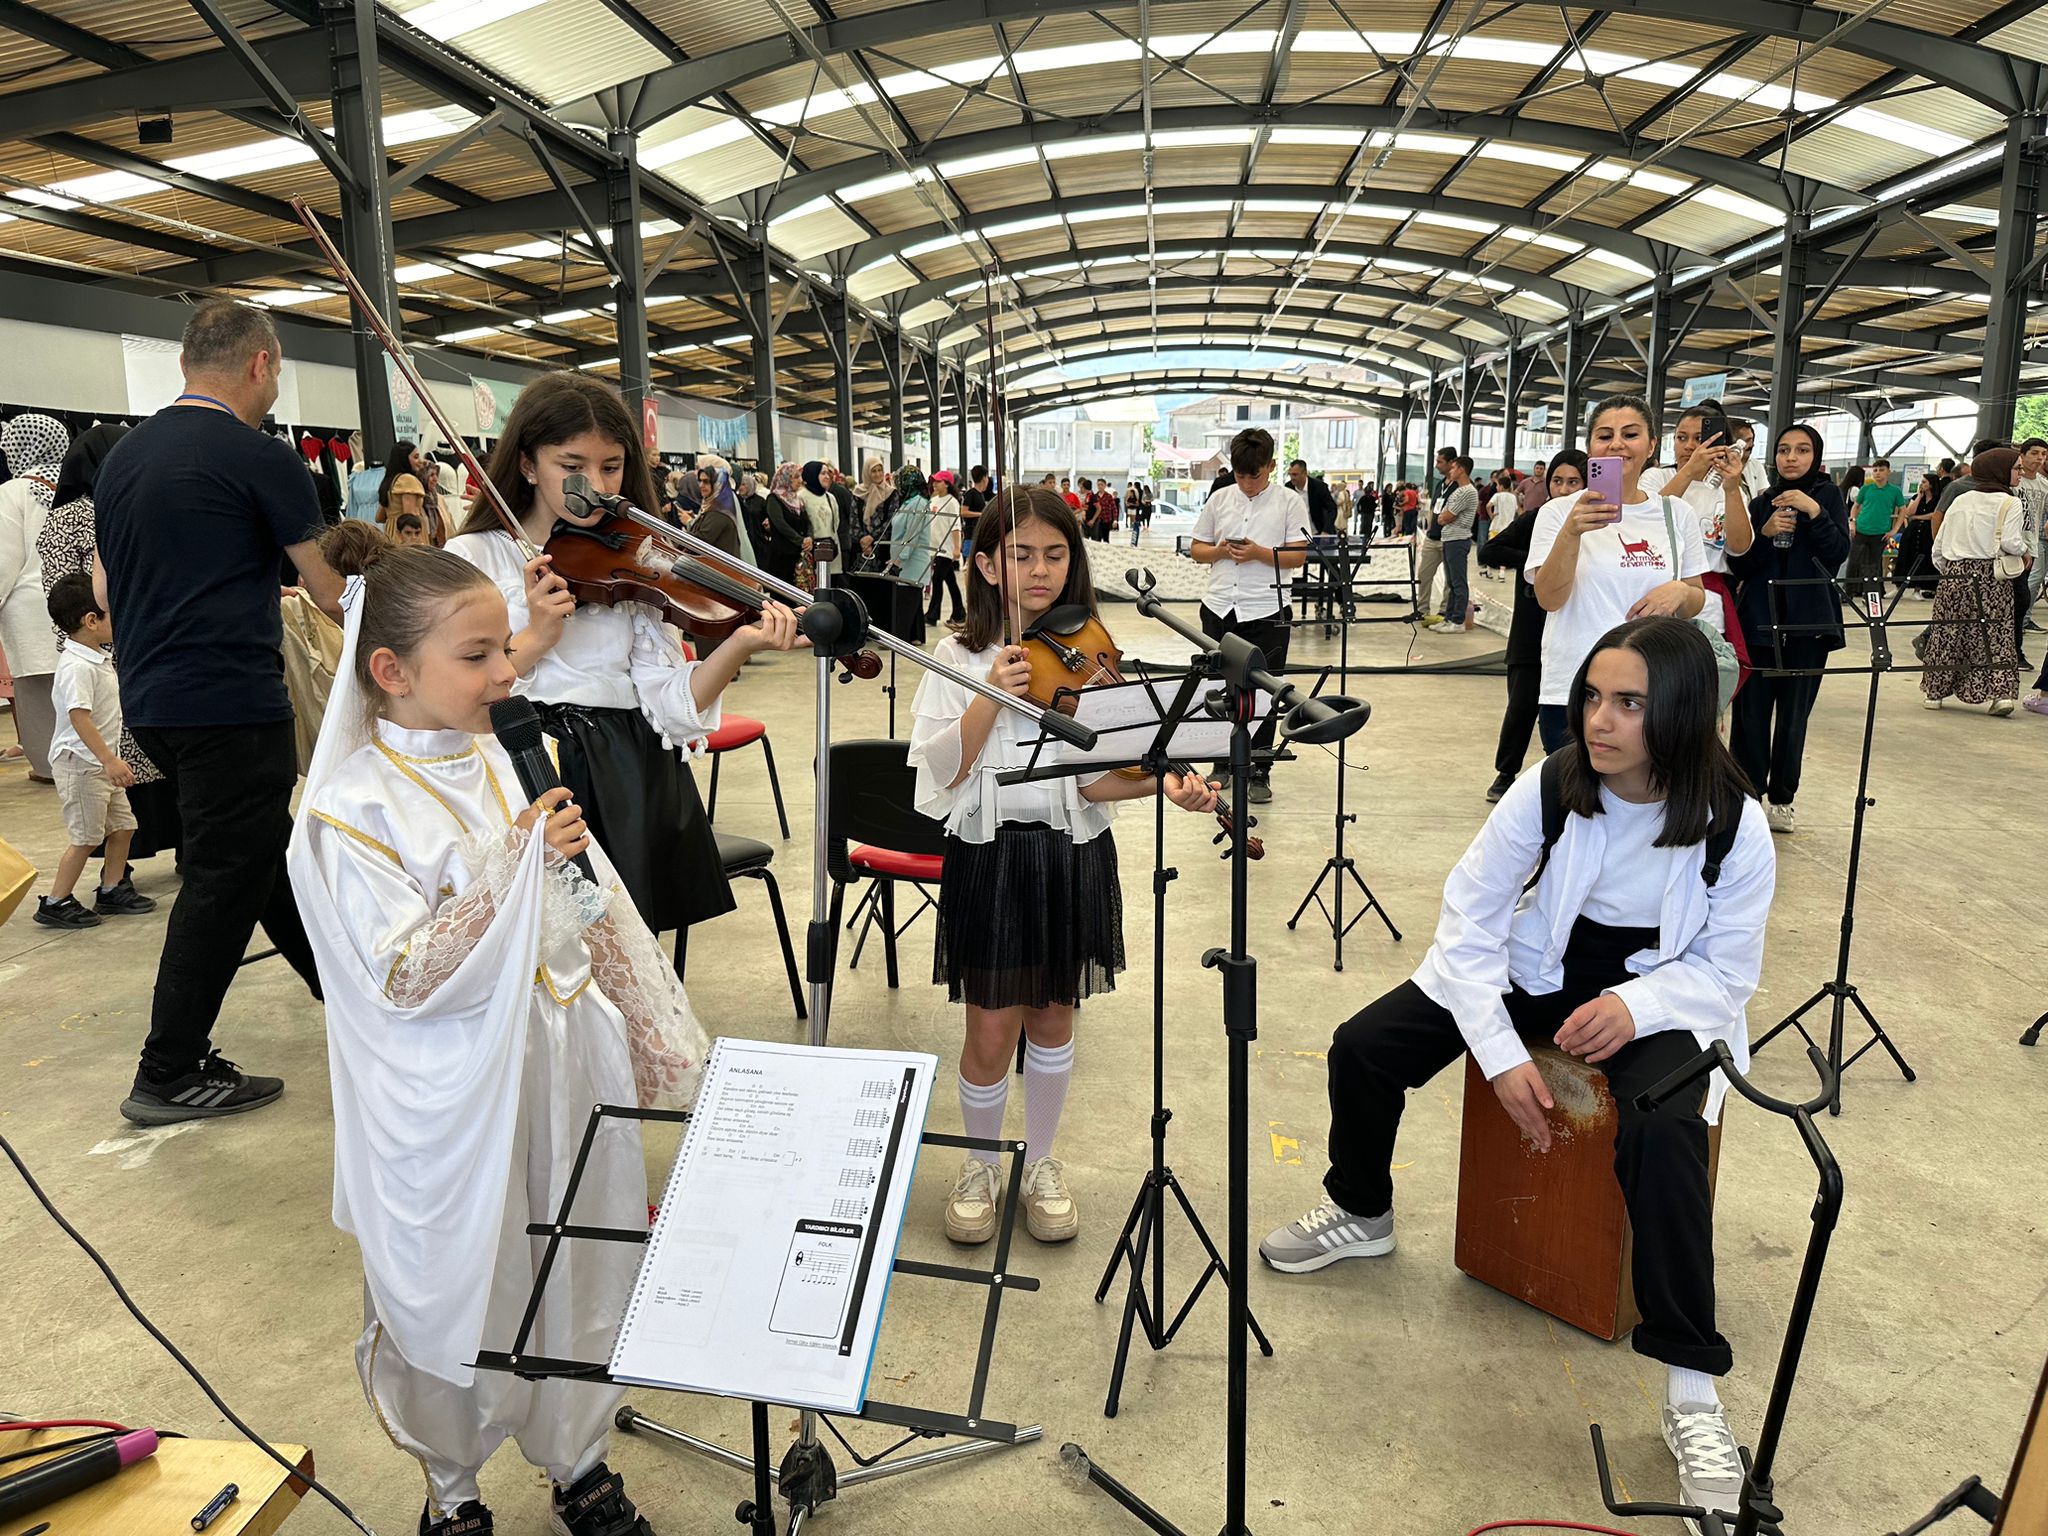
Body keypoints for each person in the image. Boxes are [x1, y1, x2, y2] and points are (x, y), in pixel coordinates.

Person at [1261, 615, 1774, 1528]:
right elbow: (1468, 920)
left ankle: (1691, 1384)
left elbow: (1729, 972)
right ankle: (1362, 1208)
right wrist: (1499, 1053)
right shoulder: (1552, 785)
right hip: (1539, 965)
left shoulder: (1734, 822)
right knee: (1365, 1046)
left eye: (1629, 705)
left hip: (1663, 994)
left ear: (1687, 715)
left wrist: (1635, 1009)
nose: (1599, 721)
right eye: (1591, 697)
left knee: (1663, 1132)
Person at [290, 534, 701, 1536]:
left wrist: (652, 1032)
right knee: (467, 1282)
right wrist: (508, 870)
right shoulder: (346, 811)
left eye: (502, 650)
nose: (508, 671)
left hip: (564, 1059)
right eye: (476, 656)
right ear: (389, 671)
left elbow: (584, 893)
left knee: (583, 1260)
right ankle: (453, 1492)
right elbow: (399, 975)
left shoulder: (509, 754)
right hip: (448, 1101)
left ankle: (582, 1462)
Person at [908, 486, 1217, 1247]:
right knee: (990, 1032)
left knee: (1053, 1019)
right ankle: (980, 1164)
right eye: (1019, 555)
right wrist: (988, 695)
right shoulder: (956, 656)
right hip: (992, 857)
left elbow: (1095, 779)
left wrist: (1162, 781)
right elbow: (936, 777)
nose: (1038, 570)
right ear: (983, 565)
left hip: (1072, 856)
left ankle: (1041, 1161)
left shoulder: (1088, 650)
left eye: (1054, 553)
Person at [446, 372, 803, 947]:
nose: (595, 485)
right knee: (540, 953)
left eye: (610, 467)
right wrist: (536, 634)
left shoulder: (631, 559)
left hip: (624, 766)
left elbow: (670, 703)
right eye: (572, 466)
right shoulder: (472, 558)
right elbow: (457, 691)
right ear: (528, 465)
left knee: (627, 955)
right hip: (526, 767)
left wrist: (739, 643)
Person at [93, 300, 342, 1124]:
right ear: (261, 365)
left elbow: (109, 586)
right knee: (223, 882)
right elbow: (331, 589)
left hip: (154, 698)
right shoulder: (260, 455)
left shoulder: (126, 456)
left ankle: (346, 996)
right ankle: (167, 1068)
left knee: (258, 855)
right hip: (229, 697)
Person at [1526, 394, 1708, 751]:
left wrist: (1680, 592)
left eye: (1631, 434)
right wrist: (1571, 532)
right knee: (1576, 797)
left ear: (1652, 445)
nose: (1618, 444)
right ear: (1590, 445)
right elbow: (1549, 598)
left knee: (1648, 797)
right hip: (1575, 684)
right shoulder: (1558, 512)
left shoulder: (1676, 513)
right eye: (1605, 435)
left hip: (1654, 687)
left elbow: (1696, 597)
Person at [37, 423, 178, 856]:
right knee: (136, 754)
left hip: (98, 640)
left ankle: (122, 866)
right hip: (125, 643)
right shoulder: (116, 507)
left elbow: (59, 590)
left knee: (125, 754)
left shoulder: (68, 515)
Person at [1727, 425, 1852, 833]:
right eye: (1783, 450)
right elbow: (1742, 565)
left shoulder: (1828, 496)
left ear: (1816, 455)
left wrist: (1813, 513)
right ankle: (1747, 797)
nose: (1791, 457)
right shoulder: (1763, 500)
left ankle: (1783, 797)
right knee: (1751, 716)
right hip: (1759, 622)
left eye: (1802, 450)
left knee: (1794, 716)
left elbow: (1837, 555)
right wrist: (1763, 535)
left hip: (1807, 625)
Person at [1190, 428, 1312, 805]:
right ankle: (1220, 762)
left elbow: (1298, 557)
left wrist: (1259, 552)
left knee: (1266, 691)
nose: (1245, 483)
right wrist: (1221, 551)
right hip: (1220, 606)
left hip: (1267, 609)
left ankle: (1259, 768)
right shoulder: (1221, 497)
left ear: (1271, 466)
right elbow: (1197, 548)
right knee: (1217, 688)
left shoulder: (1290, 502)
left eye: (1254, 475)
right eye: (1240, 475)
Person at [32, 573, 157, 929]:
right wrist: (110, 760)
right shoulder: (76, 667)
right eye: (111, 613)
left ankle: (111, 888)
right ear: (91, 621)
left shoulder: (96, 657)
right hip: (82, 765)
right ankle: (56, 901)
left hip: (99, 764)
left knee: (123, 827)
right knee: (86, 837)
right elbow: (79, 718)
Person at [1479, 452, 1584, 802]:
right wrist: (1539, 562)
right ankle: (1505, 773)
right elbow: (1490, 551)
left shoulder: (1600, 523)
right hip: (1531, 633)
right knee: (1522, 707)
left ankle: (1571, 777)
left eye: (1574, 482)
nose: (1565, 489)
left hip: (1574, 635)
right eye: (1558, 481)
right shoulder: (1538, 518)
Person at [1640, 405, 1751, 674]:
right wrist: (1689, 472)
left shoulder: (1731, 488)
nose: (1690, 446)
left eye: (1700, 438)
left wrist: (1732, 489)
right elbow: (1647, 520)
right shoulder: (1656, 477)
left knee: (1701, 691)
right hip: (1654, 594)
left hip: (1708, 603)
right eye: (1681, 437)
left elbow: (1739, 548)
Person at [1922, 445, 2026, 716]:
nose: (2020, 473)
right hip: (1992, 576)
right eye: (2016, 468)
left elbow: (1940, 546)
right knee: (1996, 634)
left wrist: (1950, 570)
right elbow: (2011, 542)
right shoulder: (2011, 501)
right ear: (2000, 470)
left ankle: (1935, 693)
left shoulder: (1961, 499)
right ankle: (2000, 695)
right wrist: (2024, 553)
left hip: (1955, 574)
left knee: (1947, 632)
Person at [0, 411, 69, 780]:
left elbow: (2, 560)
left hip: (28, 610)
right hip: (80, 607)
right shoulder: (77, 486)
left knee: (39, 696)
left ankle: (48, 767)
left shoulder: (12, 493)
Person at [1422, 456, 1479, 629]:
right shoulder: (1457, 491)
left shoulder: (1466, 491)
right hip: (1449, 538)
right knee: (1452, 582)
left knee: (1458, 582)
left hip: (1457, 539)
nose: (1450, 471)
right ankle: (1449, 617)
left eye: (1453, 468)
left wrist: (1444, 517)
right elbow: (1441, 515)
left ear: (1461, 469)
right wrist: (1443, 517)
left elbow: (1446, 516)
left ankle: (1457, 620)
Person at [1896, 461, 1947, 599]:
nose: (1922, 484)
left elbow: (1935, 514)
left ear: (1931, 484)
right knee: (1907, 556)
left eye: (1924, 482)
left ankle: (1919, 588)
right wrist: (1919, 496)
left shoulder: (1939, 499)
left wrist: (1918, 517)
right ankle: (1899, 585)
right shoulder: (1917, 497)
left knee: (1923, 558)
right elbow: (1908, 512)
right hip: (1913, 531)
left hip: (1927, 531)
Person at [757, 461, 813, 590]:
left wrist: (810, 538)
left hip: (798, 555)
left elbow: (807, 522)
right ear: (785, 478)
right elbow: (780, 524)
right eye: (796, 477)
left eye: (800, 476)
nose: (800, 480)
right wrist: (801, 540)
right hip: (782, 556)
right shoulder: (774, 499)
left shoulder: (798, 499)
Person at [887, 464, 937, 593]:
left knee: (907, 610)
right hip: (903, 567)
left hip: (911, 566)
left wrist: (899, 560)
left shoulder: (919, 502)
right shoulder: (908, 502)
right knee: (914, 612)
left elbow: (912, 534)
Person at [926, 470, 966, 624]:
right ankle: (959, 613)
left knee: (937, 579)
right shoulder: (934, 500)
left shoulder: (952, 502)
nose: (935, 484)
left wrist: (957, 547)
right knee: (950, 581)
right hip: (934, 547)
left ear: (947, 484)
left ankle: (932, 615)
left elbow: (955, 526)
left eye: (938, 481)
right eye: (934, 481)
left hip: (946, 549)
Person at [2017, 438, 2048, 629]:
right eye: (2035, 453)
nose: (2040, 458)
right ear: (2023, 455)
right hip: (2010, 544)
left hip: (2032, 542)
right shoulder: (2014, 481)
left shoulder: (2044, 484)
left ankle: (2021, 623)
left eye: (2043, 454)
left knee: (2028, 586)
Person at [1289, 459, 1339, 536]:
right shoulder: (1288, 488)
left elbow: (1332, 509)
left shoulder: (1319, 487)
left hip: (1318, 533)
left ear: (1305, 473)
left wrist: (1326, 530)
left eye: (1295, 474)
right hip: (1296, 535)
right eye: (1290, 474)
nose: (1292, 478)